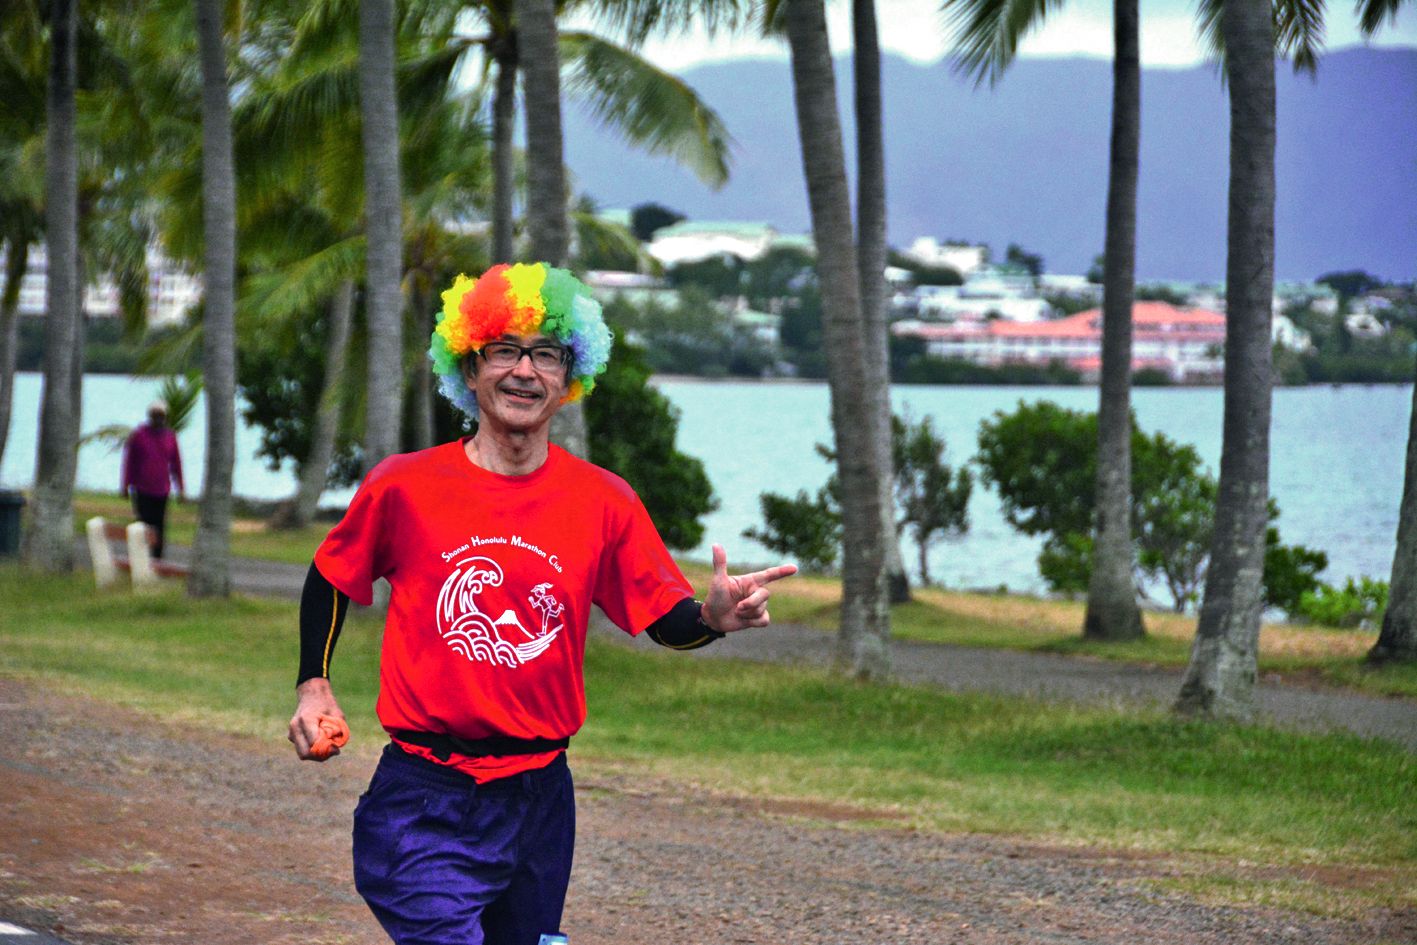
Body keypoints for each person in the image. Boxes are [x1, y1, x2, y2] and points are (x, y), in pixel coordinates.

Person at [287, 262, 796, 945]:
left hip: (538, 797)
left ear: (567, 380)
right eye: (504, 350)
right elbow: (330, 574)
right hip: (422, 793)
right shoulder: (404, 487)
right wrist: (314, 686)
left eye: (546, 354)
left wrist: (712, 619)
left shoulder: (603, 500)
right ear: (470, 370)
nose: (524, 370)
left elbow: (661, 614)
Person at [120, 400, 184, 559]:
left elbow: (176, 464)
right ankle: (140, 557)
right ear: (150, 416)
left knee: (159, 526)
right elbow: (129, 462)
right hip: (142, 489)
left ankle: (157, 559)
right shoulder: (139, 435)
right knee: (142, 524)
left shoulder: (170, 437)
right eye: (155, 415)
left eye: (161, 416)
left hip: (162, 490)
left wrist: (180, 488)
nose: (158, 419)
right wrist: (125, 485)